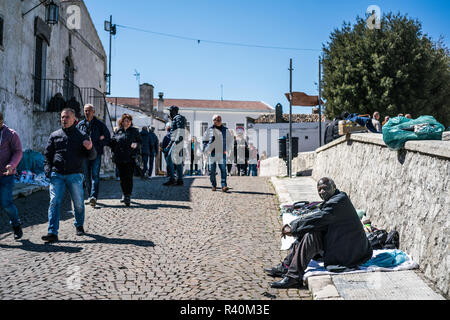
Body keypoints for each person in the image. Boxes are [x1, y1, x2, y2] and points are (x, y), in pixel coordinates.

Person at [265, 177, 373, 288]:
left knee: (311, 234)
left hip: (353, 252)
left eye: (325, 188)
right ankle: (287, 266)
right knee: (310, 230)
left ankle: (293, 277)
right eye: (319, 189)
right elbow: (317, 218)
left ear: (334, 187)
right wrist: (295, 227)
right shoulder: (334, 199)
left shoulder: (339, 201)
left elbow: (319, 217)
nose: (322, 192)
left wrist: (292, 227)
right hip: (341, 243)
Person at [42, 108, 97, 243]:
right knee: (54, 202)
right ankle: (52, 232)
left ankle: (79, 225)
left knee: (78, 203)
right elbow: (48, 155)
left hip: (75, 175)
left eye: (67, 117)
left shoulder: (82, 135)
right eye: (62, 117)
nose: (64, 120)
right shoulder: (54, 135)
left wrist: (90, 148)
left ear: (74, 119)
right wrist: (48, 171)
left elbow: (92, 156)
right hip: (57, 175)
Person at [77, 104, 111, 207]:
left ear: (94, 112)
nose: (87, 113)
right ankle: (90, 196)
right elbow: (76, 138)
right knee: (86, 176)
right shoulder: (80, 125)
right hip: (84, 154)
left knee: (95, 175)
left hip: (96, 153)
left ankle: (93, 196)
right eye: (85, 111)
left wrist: (99, 143)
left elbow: (107, 137)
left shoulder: (100, 125)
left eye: (89, 111)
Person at [109, 114, 141, 206]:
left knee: (129, 177)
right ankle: (124, 193)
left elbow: (140, 142)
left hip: (130, 158)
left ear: (130, 122)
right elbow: (113, 142)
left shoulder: (134, 131)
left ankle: (128, 195)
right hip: (120, 158)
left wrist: (136, 145)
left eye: (128, 121)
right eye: (125, 121)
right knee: (122, 178)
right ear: (122, 122)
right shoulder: (118, 131)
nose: (126, 123)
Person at [0, 112, 24, 240]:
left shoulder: (11, 134)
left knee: (6, 203)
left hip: (6, 175)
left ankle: (16, 225)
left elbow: (18, 151)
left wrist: (12, 164)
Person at [203, 115, 233, 192]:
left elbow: (230, 140)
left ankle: (224, 186)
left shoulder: (225, 130)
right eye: (217, 119)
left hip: (221, 152)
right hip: (212, 153)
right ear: (213, 121)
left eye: (220, 119)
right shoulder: (209, 130)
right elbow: (204, 141)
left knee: (223, 170)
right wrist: (206, 150)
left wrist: (227, 149)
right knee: (211, 170)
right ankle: (214, 185)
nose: (219, 120)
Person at [163, 106, 186, 186]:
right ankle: (180, 180)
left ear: (173, 111)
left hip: (177, 142)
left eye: (170, 111)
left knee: (169, 159)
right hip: (176, 142)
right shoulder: (175, 119)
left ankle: (172, 179)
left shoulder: (178, 118)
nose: (169, 113)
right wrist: (169, 145)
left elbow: (180, 130)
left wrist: (176, 142)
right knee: (178, 162)